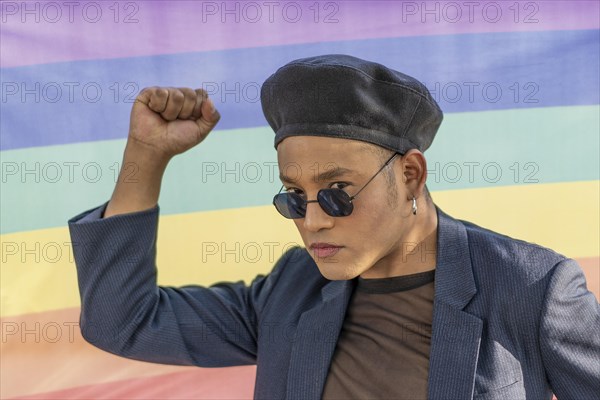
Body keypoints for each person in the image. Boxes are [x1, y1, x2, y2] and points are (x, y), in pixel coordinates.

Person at [68, 54, 599, 399]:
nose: (313, 221)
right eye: (294, 197)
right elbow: (123, 322)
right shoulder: (291, 290)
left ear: (410, 175)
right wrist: (146, 158)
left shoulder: (531, 286)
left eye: (337, 193)